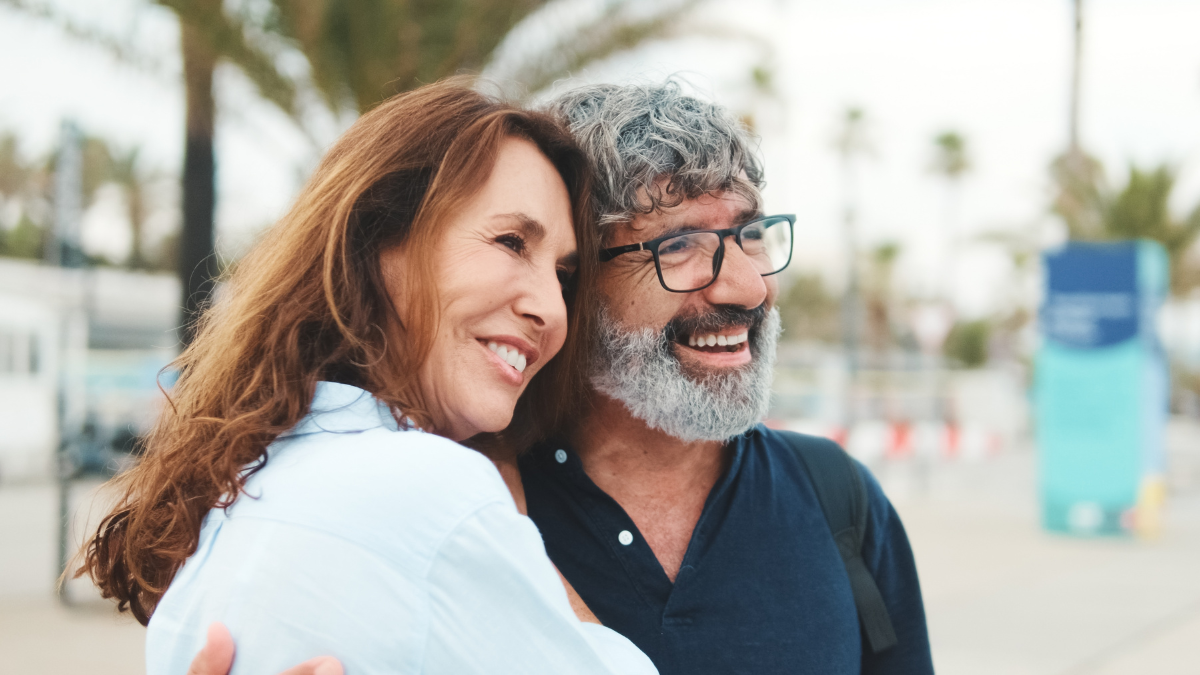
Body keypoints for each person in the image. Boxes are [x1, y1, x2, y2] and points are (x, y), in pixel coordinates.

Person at [193, 81, 934, 675]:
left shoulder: (838, 499)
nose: (745, 286)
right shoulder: (448, 502)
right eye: (680, 246)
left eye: (749, 234)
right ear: (584, 283)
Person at [78, 79, 657, 675]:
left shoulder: (235, 495)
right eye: (511, 242)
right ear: (377, 240)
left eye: (563, 276)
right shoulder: (433, 491)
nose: (553, 309)